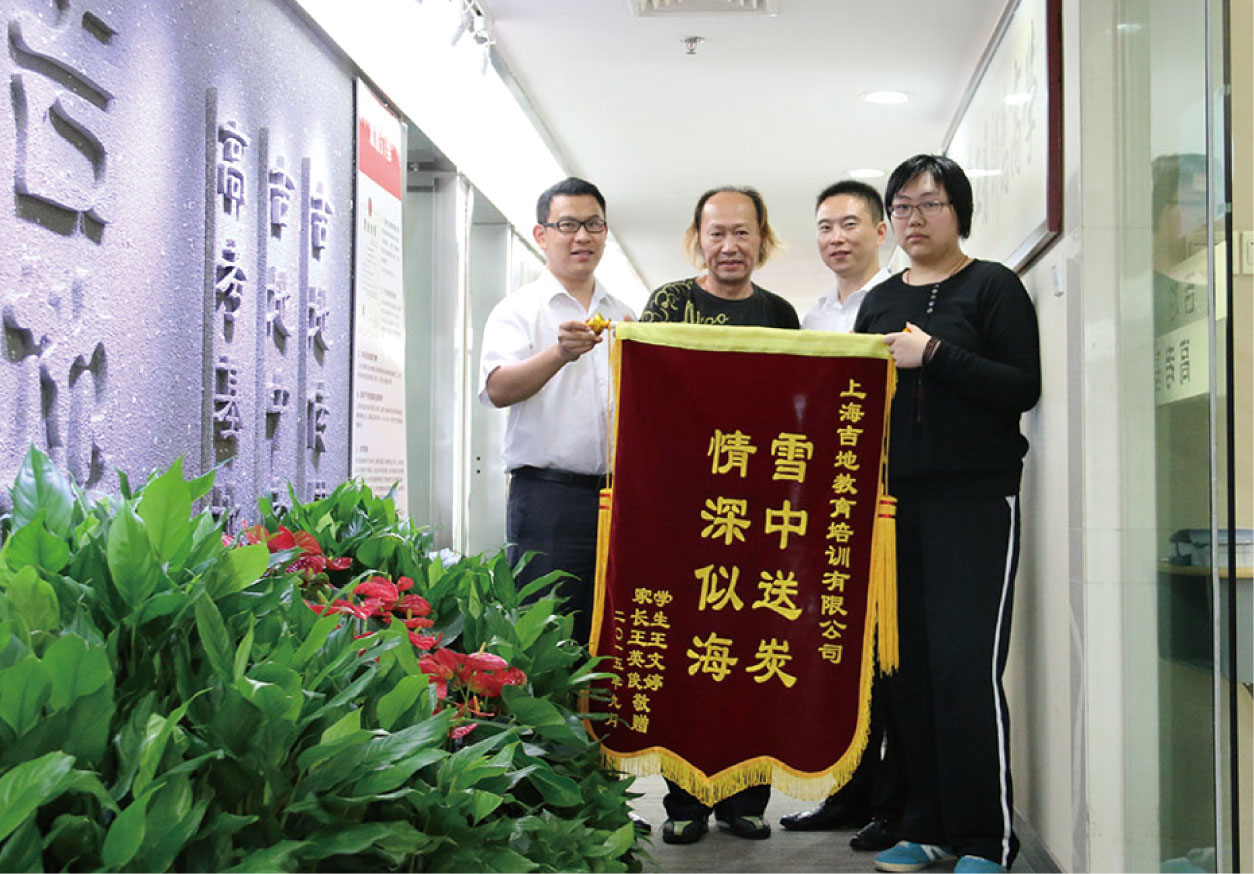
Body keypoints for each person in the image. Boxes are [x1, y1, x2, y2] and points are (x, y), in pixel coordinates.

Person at [853, 155, 1040, 874]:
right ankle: (926, 824)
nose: (914, 219)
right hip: (894, 507)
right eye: (901, 207)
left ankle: (987, 838)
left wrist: (932, 353)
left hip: (974, 500)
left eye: (929, 204)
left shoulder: (994, 286)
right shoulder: (877, 300)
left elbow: (1021, 386)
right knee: (910, 673)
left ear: (958, 211)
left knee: (965, 669)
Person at [642, 186, 798, 845]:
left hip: (756, 512)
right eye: (717, 233)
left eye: (742, 233)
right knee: (686, 653)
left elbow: (795, 406)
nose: (730, 246)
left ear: (763, 239)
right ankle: (684, 801)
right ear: (697, 238)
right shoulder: (668, 303)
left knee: (753, 650)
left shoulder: (780, 314)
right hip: (685, 511)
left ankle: (745, 799)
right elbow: (647, 396)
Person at [780, 180, 906, 854]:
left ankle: (894, 802)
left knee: (892, 659)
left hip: (891, 503)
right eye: (826, 226)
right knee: (841, 651)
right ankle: (847, 791)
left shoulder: (902, 302)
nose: (836, 237)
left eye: (850, 223)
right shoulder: (814, 317)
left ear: (881, 230)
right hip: (832, 505)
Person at [477, 177, 635, 648]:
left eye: (593, 225)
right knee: (546, 638)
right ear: (541, 235)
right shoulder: (518, 309)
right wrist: (559, 354)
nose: (582, 236)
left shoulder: (624, 313)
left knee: (610, 635)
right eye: (568, 225)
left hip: (617, 498)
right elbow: (497, 389)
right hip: (548, 498)